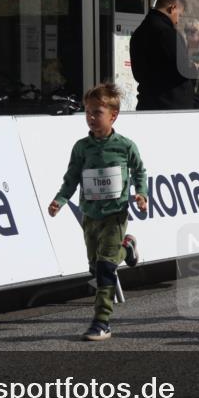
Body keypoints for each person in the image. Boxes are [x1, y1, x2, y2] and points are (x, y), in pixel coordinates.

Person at [48, 83, 148, 341]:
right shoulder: (81, 148)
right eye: (88, 112)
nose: (91, 118)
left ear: (113, 115)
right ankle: (127, 248)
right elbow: (71, 177)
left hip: (115, 215)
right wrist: (60, 199)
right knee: (95, 266)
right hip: (91, 215)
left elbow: (139, 171)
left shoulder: (125, 146)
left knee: (105, 268)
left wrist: (141, 194)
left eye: (97, 113)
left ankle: (102, 322)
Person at [130, 0, 194, 111]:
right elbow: (182, 69)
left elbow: (138, 73)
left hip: (147, 102)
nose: (178, 20)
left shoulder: (138, 33)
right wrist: (193, 68)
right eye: (179, 15)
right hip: (171, 106)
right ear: (172, 8)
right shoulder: (167, 33)